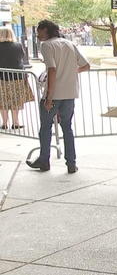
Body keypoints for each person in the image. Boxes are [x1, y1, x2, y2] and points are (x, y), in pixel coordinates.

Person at [26, 20, 90, 173]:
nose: (37, 35)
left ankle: (44, 160)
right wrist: (71, 72)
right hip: (70, 93)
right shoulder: (68, 43)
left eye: (39, 31)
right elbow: (86, 65)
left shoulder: (47, 46)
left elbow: (52, 70)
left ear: (46, 30)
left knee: (46, 128)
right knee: (67, 128)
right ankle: (71, 163)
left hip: (54, 94)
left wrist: (49, 97)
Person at [0, 27, 33, 130]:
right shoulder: (18, 45)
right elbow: (21, 58)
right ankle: (16, 122)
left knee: (3, 100)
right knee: (16, 100)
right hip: (17, 76)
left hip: (1, 77)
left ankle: (4, 123)